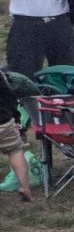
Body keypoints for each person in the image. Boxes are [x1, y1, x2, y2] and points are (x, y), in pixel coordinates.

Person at [0, 66, 32, 202]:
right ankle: (25, 187)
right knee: (15, 151)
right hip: (3, 120)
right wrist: (16, 118)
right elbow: (10, 96)